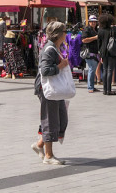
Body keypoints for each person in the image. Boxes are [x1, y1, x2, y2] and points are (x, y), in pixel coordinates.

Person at [32, 21, 71, 166]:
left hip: (55, 90)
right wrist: (60, 66)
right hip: (47, 89)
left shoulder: (56, 47)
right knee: (50, 119)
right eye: (65, 31)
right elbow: (45, 70)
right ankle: (48, 155)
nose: (66, 34)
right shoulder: (49, 49)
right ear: (58, 34)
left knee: (61, 118)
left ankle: (39, 145)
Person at [96, 13, 116, 96]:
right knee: (110, 70)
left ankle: (104, 90)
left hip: (103, 52)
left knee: (105, 70)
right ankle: (109, 90)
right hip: (112, 51)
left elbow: (99, 43)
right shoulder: (113, 30)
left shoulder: (100, 31)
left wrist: (100, 52)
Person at [80, 15, 99, 93]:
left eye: (95, 22)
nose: (93, 23)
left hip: (95, 52)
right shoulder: (87, 29)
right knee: (91, 69)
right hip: (89, 52)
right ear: (89, 22)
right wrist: (95, 38)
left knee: (93, 69)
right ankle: (90, 87)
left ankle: (92, 86)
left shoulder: (95, 30)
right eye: (92, 21)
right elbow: (84, 40)